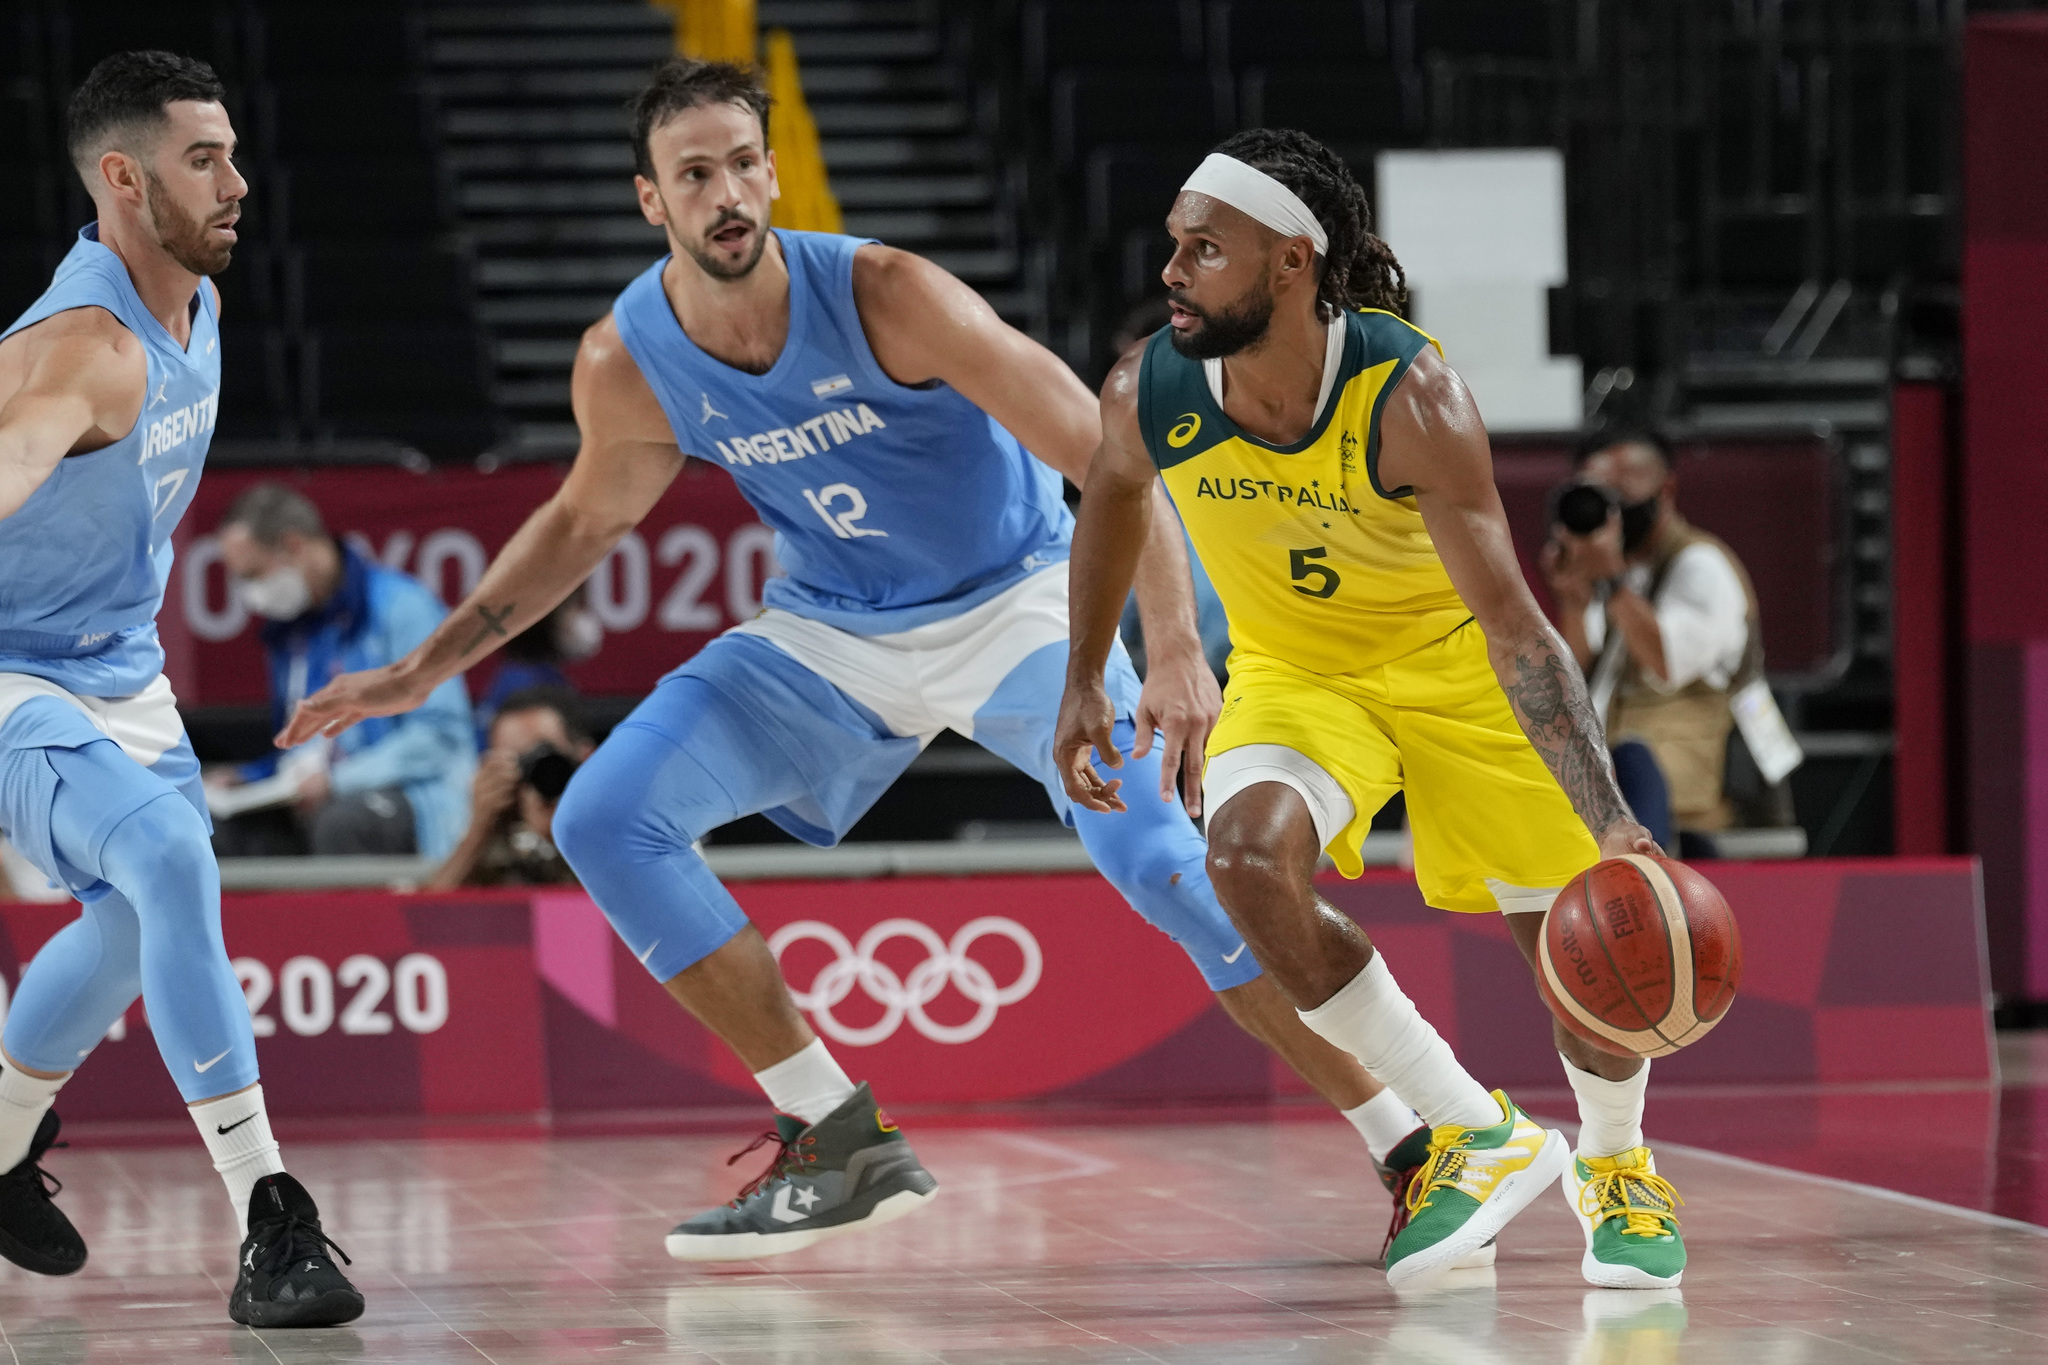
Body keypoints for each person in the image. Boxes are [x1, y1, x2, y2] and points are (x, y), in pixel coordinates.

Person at [281, 57, 1464, 1266]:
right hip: (829, 632)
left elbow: (1117, 455)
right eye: (696, 174)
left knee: (1166, 865)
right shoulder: (627, 357)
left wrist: (1168, 648)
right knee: (604, 817)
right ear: (653, 202)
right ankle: (833, 1130)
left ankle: (1419, 1145)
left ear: (772, 169)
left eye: (745, 163)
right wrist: (419, 670)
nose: (728, 192)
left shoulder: (891, 293)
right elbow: (582, 524)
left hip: (1016, 607)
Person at [1055, 130, 1684, 1291]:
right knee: (1240, 862)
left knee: (1580, 953)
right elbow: (1110, 499)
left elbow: (1512, 625)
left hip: (1456, 671)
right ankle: (1470, 1130)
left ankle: (1613, 1164)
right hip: (1299, 678)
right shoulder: (1153, 387)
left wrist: (1609, 821)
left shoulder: (1412, 396)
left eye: (1205, 249)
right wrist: (1088, 676)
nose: (1172, 273)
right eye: (1173, 247)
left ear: (1291, 262)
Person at [0, 51, 360, 1326]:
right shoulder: (84, 349)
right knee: (167, 860)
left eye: (231, 151)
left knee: (128, 929)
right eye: (202, 158)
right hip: (11, 674)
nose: (238, 182)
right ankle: (272, 1219)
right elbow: (15, 449)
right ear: (120, 178)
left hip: (122, 668)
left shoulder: (195, 302)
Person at [1543, 426, 1781, 849]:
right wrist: (1574, 605)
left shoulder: (1702, 565)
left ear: (1665, 489)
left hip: (1688, 802)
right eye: (1598, 496)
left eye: (1620, 494)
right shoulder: (1624, 573)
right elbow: (1578, 679)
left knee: (1634, 758)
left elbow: (1665, 661)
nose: (1610, 512)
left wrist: (1612, 579)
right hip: (1616, 795)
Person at [210, 483, 477, 860]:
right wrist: (249, 779)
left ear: (293, 545)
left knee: (341, 824)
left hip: (412, 793)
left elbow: (442, 738)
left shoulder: (403, 607)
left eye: (253, 574)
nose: (250, 593)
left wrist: (337, 782)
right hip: (317, 796)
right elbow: (305, 749)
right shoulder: (289, 632)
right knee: (212, 827)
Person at [428, 685, 592, 889]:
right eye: (517, 763)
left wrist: (560, 837)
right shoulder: (494, 838)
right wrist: (479, 828)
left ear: (585, 757)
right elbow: (428, 913)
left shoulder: (615, 829)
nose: (534, 774)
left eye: (545, 757)